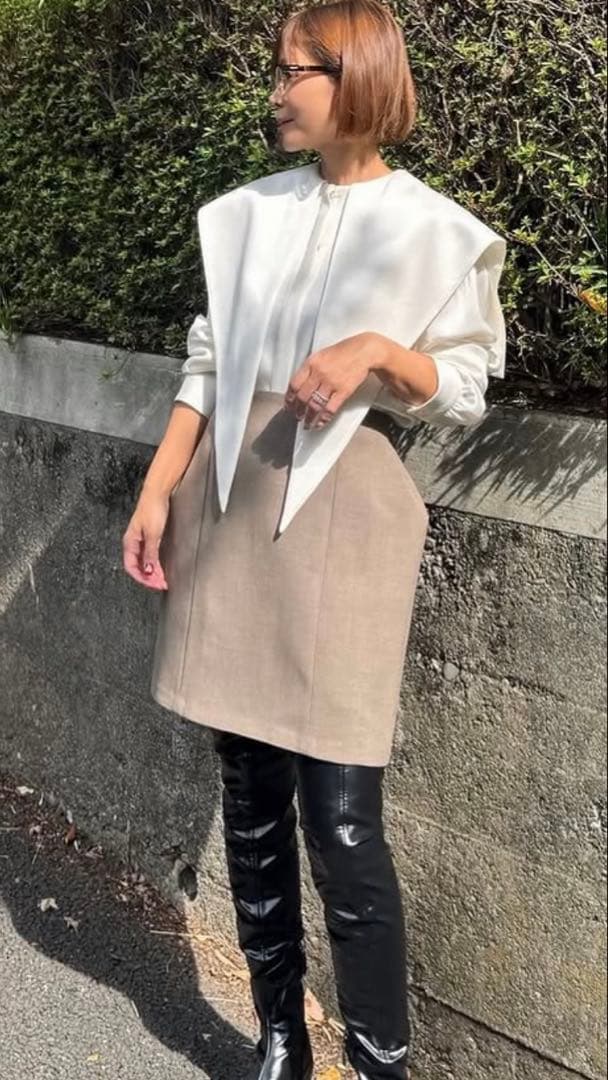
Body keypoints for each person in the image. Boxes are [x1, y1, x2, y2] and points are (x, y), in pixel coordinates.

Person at [122, 2, 507, 1076]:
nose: (277, 91)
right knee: (250, 799)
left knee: (341, 822)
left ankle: (379, 1061)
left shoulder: (434, 229)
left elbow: (464, 387)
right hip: (233, 500)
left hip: (347, 514)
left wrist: (376, 350)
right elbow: (209, 364)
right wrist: (156, 490)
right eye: (280, 69)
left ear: (360, 78)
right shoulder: (249, 213)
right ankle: (281, 1038)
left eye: (299, 71)